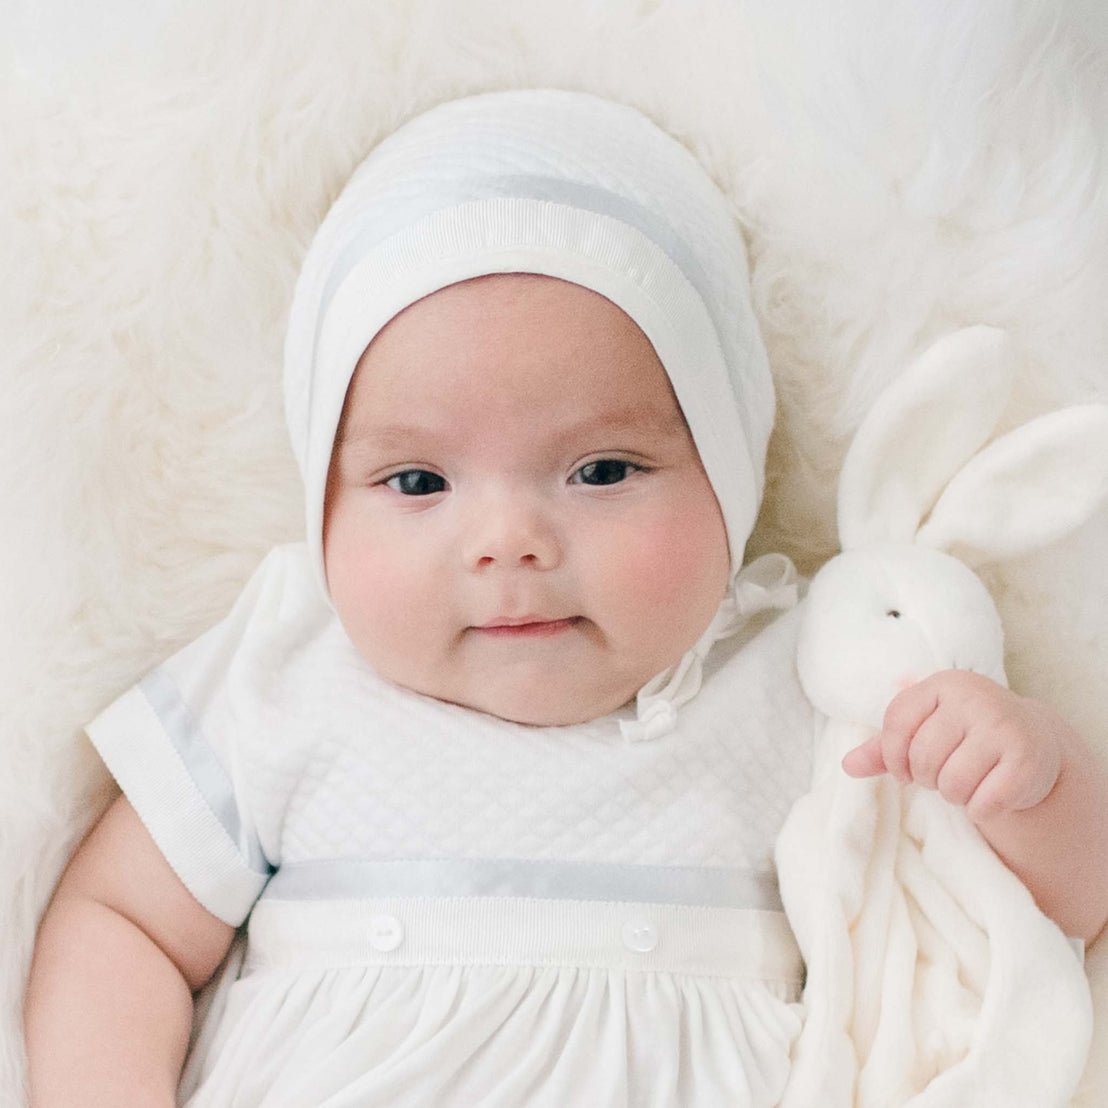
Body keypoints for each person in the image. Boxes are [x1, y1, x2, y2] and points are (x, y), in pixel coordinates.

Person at [22, 89, 1108, 1108]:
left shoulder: (804, 676)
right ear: (323, 507)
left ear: (729, 471)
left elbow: (1051, 913)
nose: (509, 544)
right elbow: (122, 920)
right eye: (417, 482)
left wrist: (1026, 777)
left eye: (599, 471)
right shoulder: (290, 664)